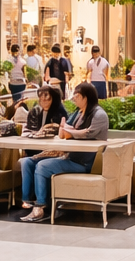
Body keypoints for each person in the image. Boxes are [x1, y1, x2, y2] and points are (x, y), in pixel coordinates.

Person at [19, 83, 109, 222]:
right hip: (69, 156)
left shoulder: (99, 114)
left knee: (42, 166)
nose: (74, 98)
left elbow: (87, 134)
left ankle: (41, 207)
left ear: (85, 98)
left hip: (83, 162)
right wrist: (70, 131)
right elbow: (63, 131)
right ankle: (28, 201)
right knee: (28, 161)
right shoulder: (78, 113)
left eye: (77, 95)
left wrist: (70, 132)